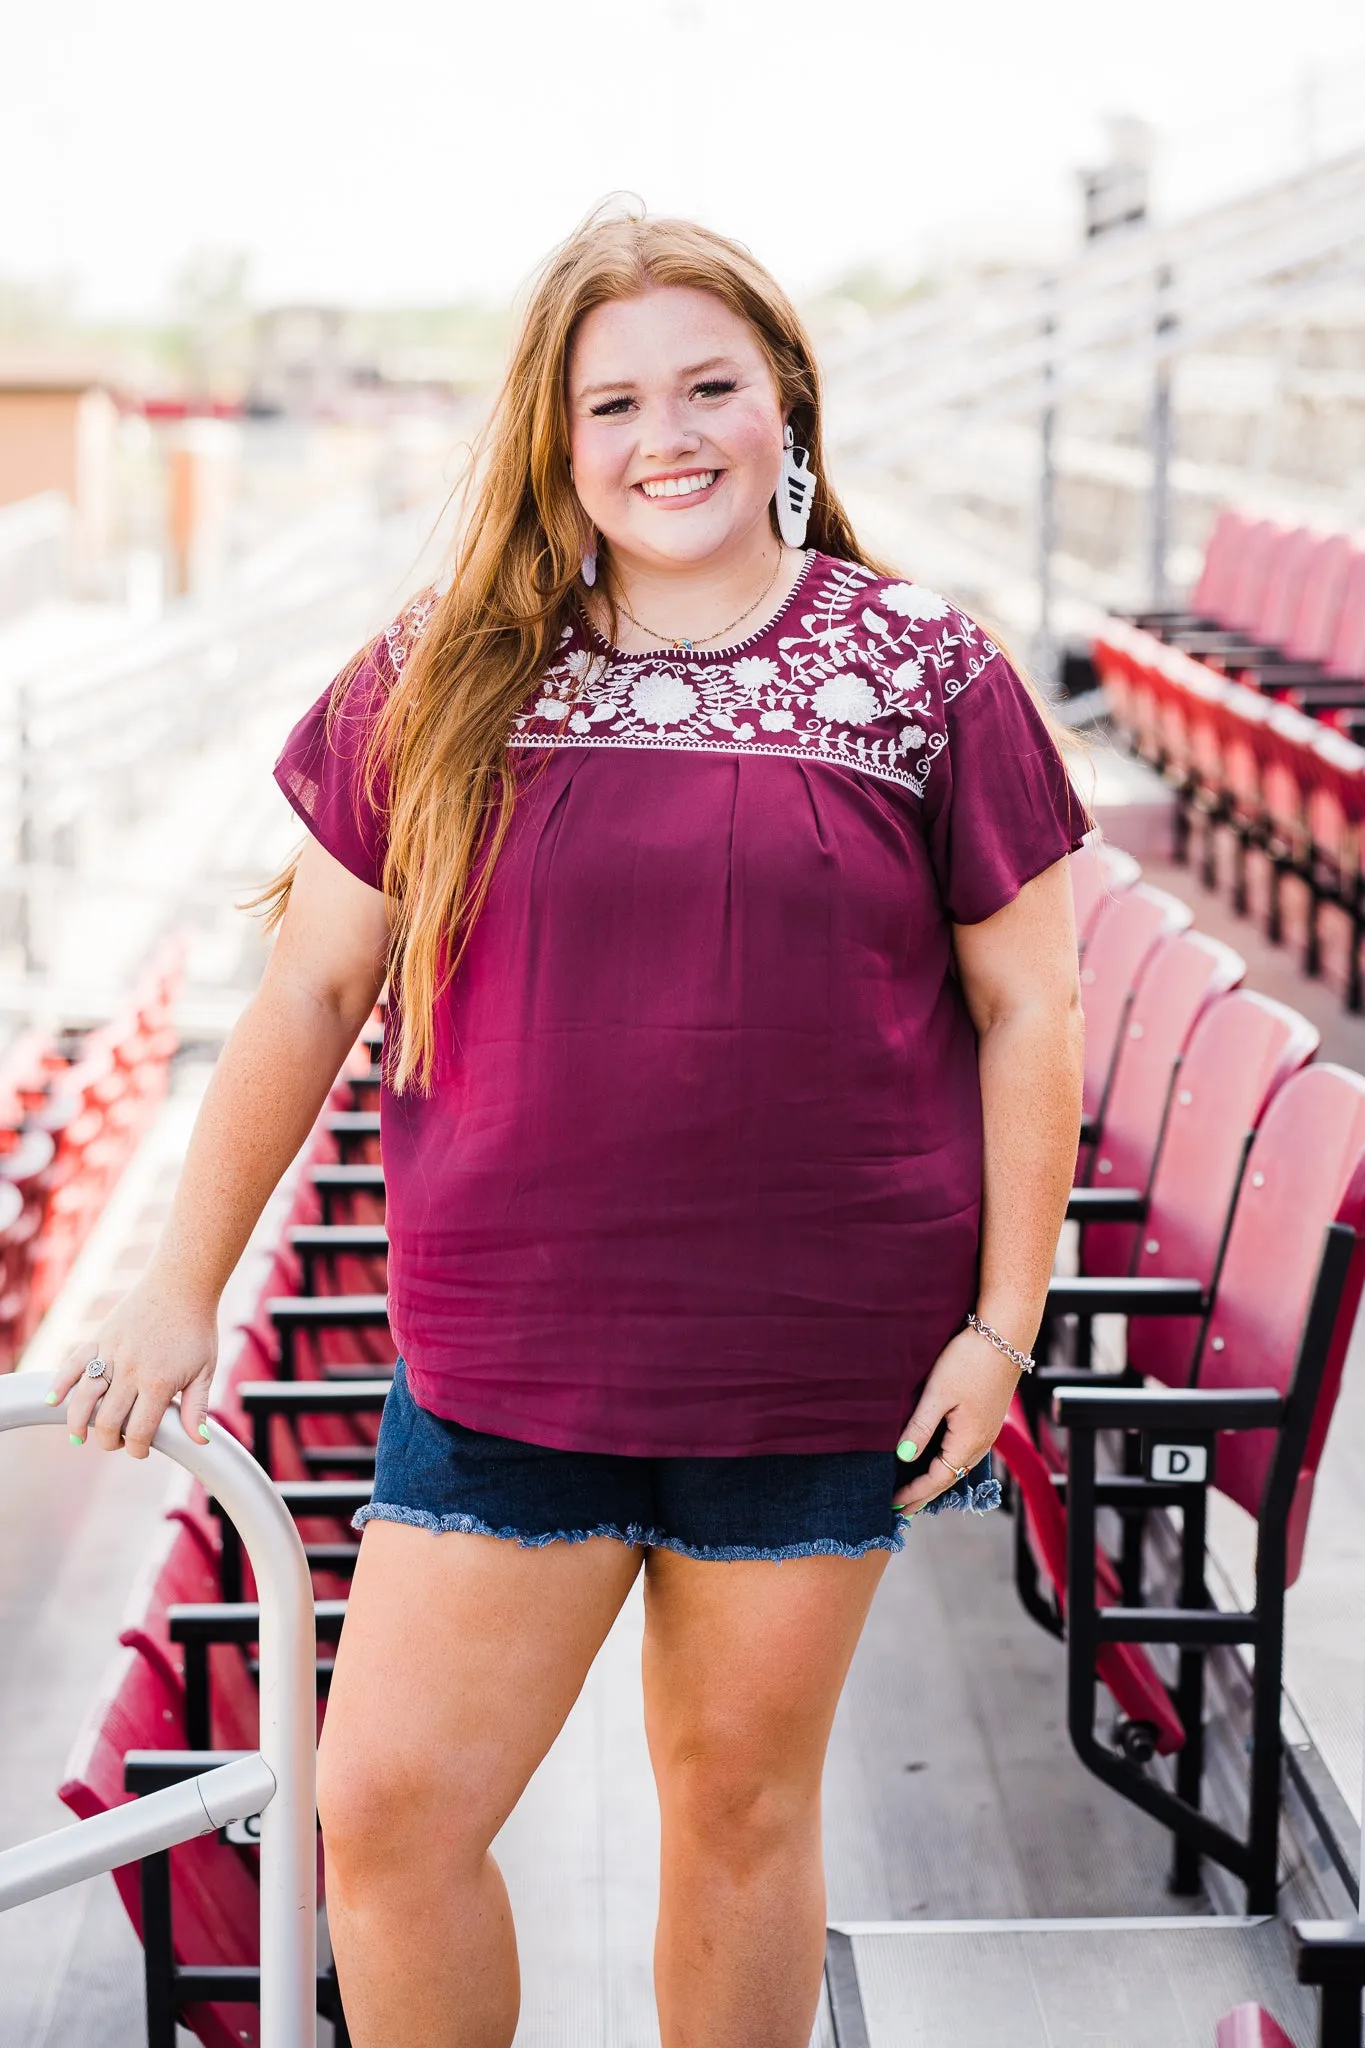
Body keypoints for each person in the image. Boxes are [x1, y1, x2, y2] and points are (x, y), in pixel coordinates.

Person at [51, 211, 1086, 2048]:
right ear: (556, 437)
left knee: (744, 1814)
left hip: (813, 1372)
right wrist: (173, 1283)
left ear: (787, 405)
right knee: (381, 1820)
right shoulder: (445, 665)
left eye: (708, 386)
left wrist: (1004, 1329)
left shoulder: (931, 668)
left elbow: (1029, 1010)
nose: (666, 435)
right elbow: (305, 994)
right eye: (613, 401)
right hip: (502, 1360)